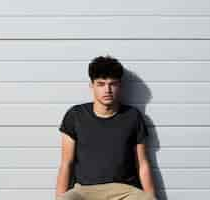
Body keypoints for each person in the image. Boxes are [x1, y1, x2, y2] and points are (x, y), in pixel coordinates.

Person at [55, 55, 157, 200]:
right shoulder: (75, 115)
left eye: (112, 84)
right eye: (101, 84)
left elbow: (142, 163)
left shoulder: (133, 116)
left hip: (125, 191)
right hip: (85, 191)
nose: (107, 90)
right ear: (92, 86)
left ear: (119, 85)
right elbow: (66, 163)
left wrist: (151, 196)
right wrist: (59, 197)